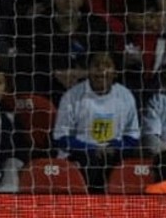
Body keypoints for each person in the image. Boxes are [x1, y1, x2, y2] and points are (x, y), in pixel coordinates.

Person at [52, 50, 140, 192]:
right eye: (96, 65)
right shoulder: (72, 96)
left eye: (106, 65)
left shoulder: (126, 96)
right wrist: (91, 148)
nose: (100, 69)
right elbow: (60, 138)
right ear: (88, 70)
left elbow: (133, 136)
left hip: (113, 152)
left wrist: (114, 145)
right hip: (80, 153)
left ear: (116, 72)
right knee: (91, 162)